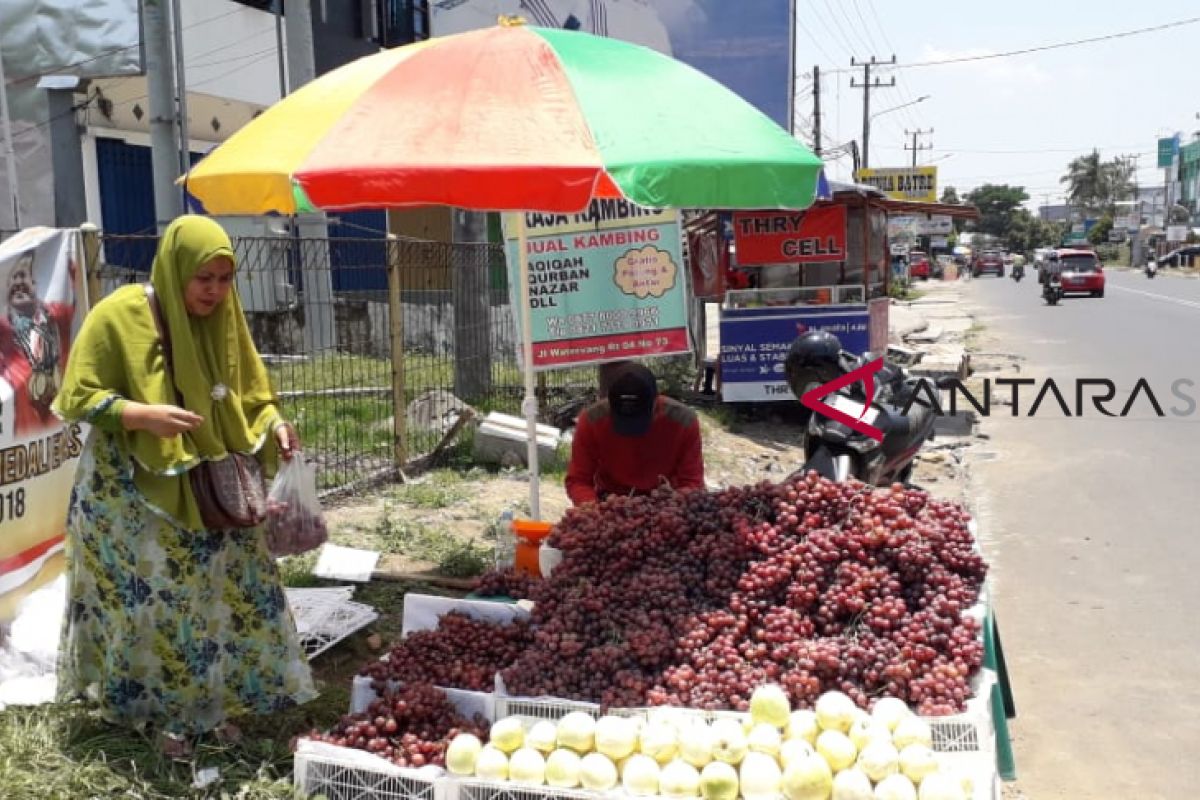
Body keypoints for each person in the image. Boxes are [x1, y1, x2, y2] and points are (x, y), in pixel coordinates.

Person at [52, 216, 316, 758]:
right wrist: (140, 414)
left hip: (214, 490)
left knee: (223, 599)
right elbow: (75, 396)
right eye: (204, 279)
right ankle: (160, 719)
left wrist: (276, 427)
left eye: (224, 279)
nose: (215, 292)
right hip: (134, 496)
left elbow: (251, 398)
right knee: (157, 607)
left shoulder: (225, 322)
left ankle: (211, 709)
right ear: (176, 269)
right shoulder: (120, 316)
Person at [565, 361, 704, 505]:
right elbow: (578, 480)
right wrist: (592, 508)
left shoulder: (683, 421)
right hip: (610, 503)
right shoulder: (591, 421)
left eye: (638, 419)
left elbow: (693, 483)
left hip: (667, 502)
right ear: (610, 403)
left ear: (656, 401)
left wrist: (674, 503)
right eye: (624, 420)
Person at [0, 247, 76, 436]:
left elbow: (75, 287)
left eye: (22, 276)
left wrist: (68, 253)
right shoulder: (3, 325)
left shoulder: (57, 314)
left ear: (35, 285)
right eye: (13, 279)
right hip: (25, 421)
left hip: (60, 414)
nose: (18, 283)